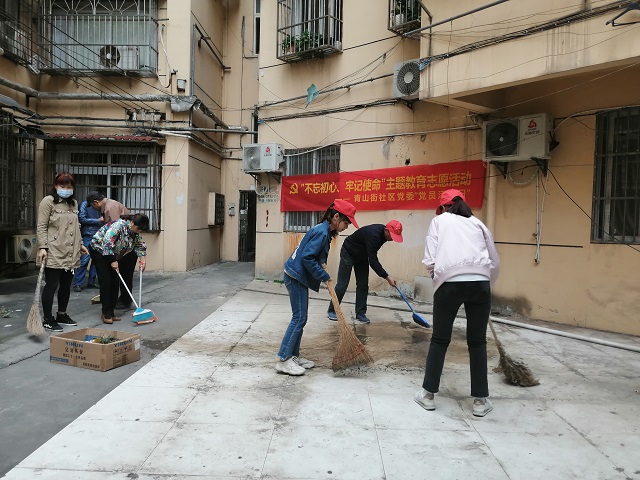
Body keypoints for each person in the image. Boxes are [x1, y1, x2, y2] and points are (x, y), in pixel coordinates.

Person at [415, 189, 500, 417]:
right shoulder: (478, 224)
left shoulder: (439, 221)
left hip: (449, 283)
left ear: (444, 207)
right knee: (477, 342)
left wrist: (438, 279)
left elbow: (430, 258)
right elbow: (494, 259)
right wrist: (486, 286)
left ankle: (428, 395)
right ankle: (480, 401)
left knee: (440, 340)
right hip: (480, 282)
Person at [276, 199, 358, 376]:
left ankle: (293, 355)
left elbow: (315, 255)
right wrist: (323, 276)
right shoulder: (322, 232)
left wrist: (323, 266)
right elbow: (307, 257)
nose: (347, 226)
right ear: (336, 217)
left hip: (297, 276)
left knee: (301, 318)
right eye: (346, 222)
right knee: (299, 318)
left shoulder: (325, 231)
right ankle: (284, 359)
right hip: (295, 276)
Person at [36, 172, 87, 332]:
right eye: (62, 186)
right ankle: (47, 319)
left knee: (66, 285)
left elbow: (76, 226)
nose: (66, 189)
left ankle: (62, 314)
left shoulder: (74, 203)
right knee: (52, 285)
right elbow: (42, 226)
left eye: (69, 186)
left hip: (71, 251)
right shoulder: (48, 202)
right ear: (55, 186)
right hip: (54, 250)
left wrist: (80, 244)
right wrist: (42, 247)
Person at [326, 220, 403, 324]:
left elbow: (371, 255)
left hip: (362, 256)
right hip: (348, 252)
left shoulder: (385, 235)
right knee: (342, 284)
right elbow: (373, 261)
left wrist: (386, 276)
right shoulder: (374, 235)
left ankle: (360, 313)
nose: (392, 239)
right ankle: (332, 310)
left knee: (363, 284)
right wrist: (387, 277)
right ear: (386, 230)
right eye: (392, 236)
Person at [89, 214, 149, 324]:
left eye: (141, 230)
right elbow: (107, 242)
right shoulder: (118, 226)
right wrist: (112, 260)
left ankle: (111, 312)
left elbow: (139, 245)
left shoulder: (134, 233)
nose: (139, 231)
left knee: (115, 281)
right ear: (132, 223)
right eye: (138, 228)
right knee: (106, 280)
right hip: (99, 251)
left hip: (114, 254)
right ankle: (106, 312)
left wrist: (143, 260)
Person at [86, 191, 136, 311]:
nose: (93, 208)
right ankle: (117, 299)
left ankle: (123, 300)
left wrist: (112, 258)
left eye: (92, 205)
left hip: (123, 247)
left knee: (122, 275)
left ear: (95, 202)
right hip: (125, 245)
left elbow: (114, 233)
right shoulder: (110, 205)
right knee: (121, 275)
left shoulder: (110, 208)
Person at [73, 199, 103, 292]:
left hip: (98, 235)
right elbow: (82, 219)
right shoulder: (85, 205)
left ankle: (91, 282)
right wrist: (97, 220)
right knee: (84, 260)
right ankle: (78, 283)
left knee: (96, 261)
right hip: (88, 235)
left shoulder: (101, 205)